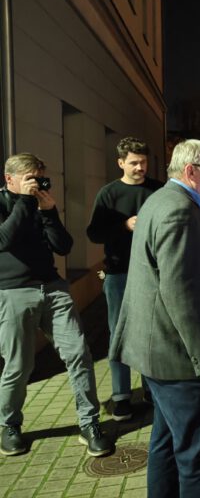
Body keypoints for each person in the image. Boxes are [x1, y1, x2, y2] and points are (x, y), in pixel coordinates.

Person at [110, 139, 200, 497]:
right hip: (184, 366)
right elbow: (184, 295)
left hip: (162, 360)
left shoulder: (161, 200)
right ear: (191, 171)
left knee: (166, 448)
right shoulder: (179, 211)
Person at [0, 153, 114, 457]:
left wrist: (49, 213)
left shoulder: (38, 204)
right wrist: (25, 202)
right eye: (28, 178)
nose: (35, 183)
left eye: (37, 176)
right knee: (18, 365)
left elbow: (63, 246)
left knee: (79, 353)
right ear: (9, 179)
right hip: (13, 293)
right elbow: (4, 240)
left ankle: (89, 424)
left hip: (53, 290)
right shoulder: (4, 204)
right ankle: (10, 425)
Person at [86, 137, 162, 421]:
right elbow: (93, 233)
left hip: (152, 272)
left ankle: (152, 392)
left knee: (150, 334)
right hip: (119, 273)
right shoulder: (108, 194)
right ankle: (121, 397)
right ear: (120, 163)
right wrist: (124, 225)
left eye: (143, 162)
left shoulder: (157, 189)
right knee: (119, 334)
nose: (140, 167)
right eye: (134, 163)